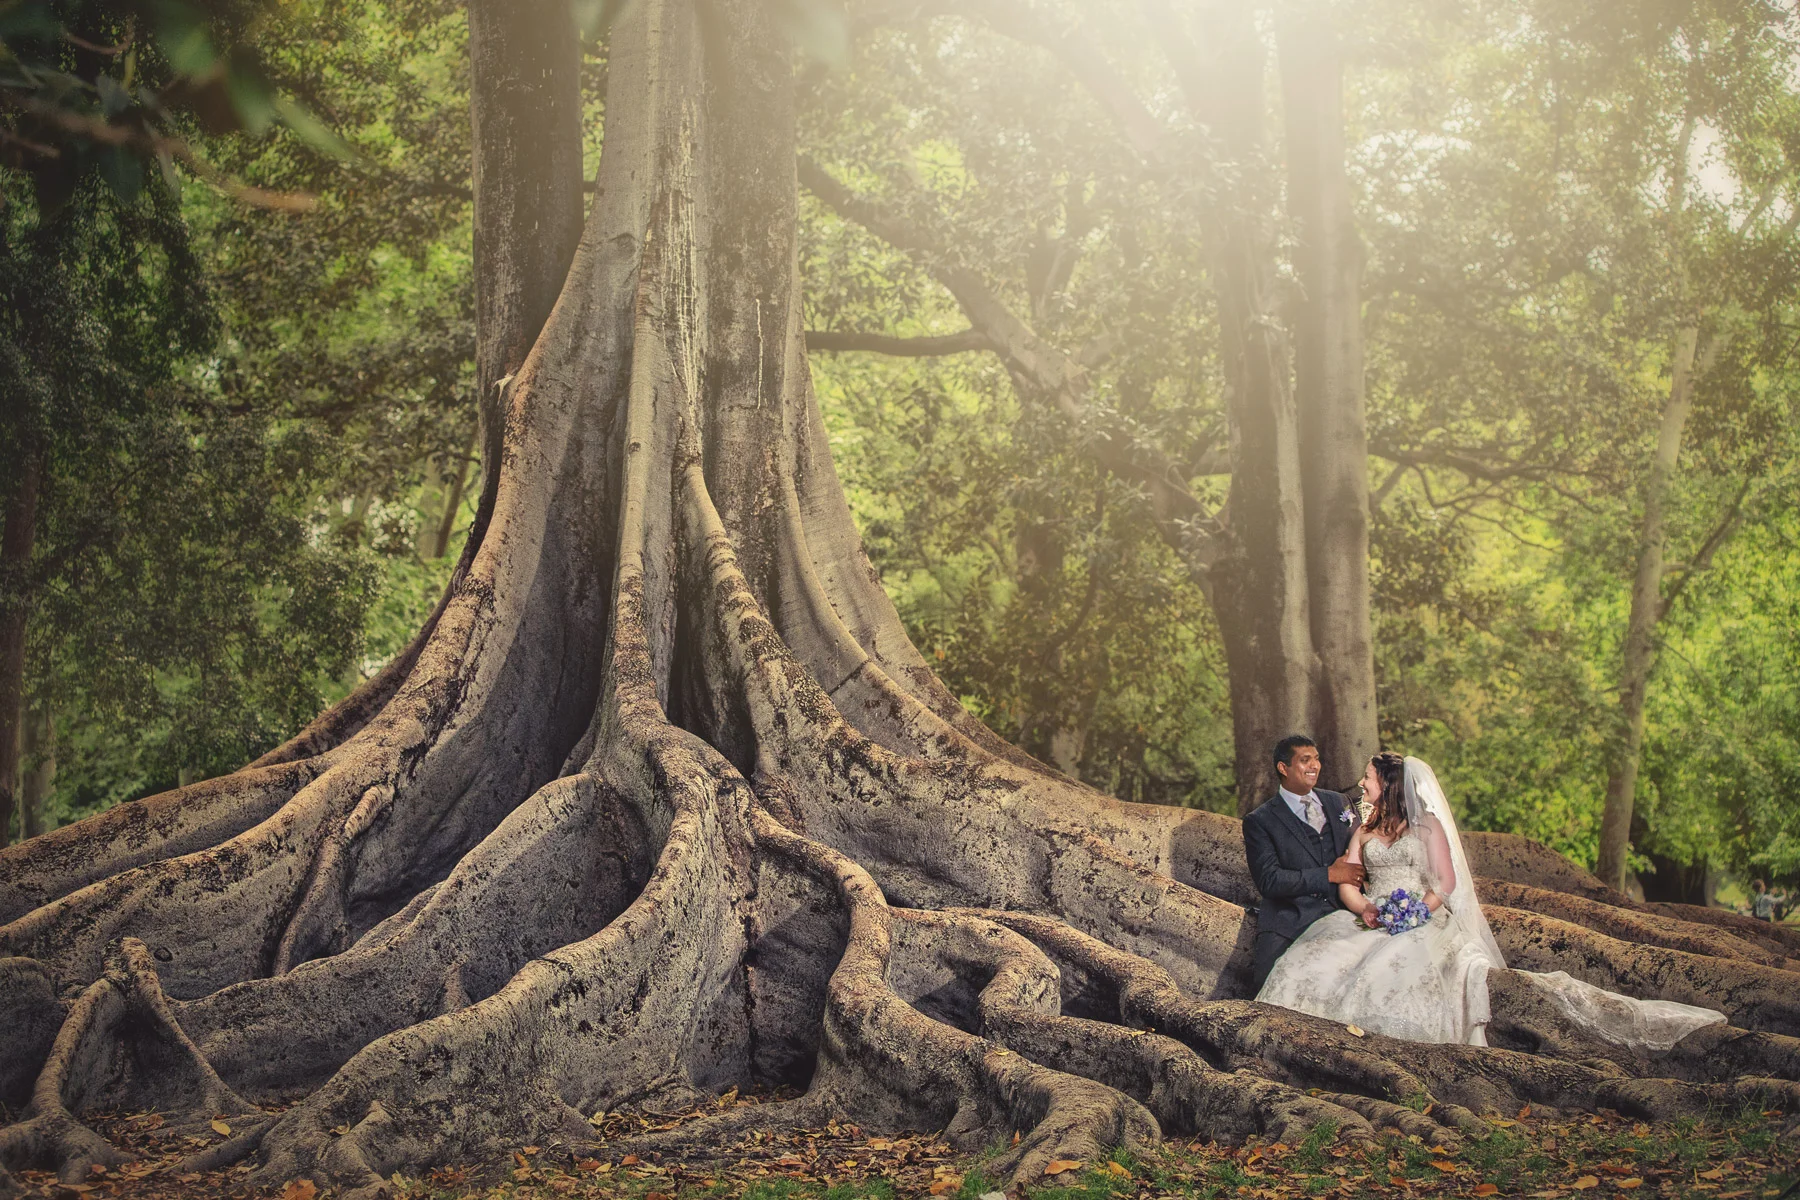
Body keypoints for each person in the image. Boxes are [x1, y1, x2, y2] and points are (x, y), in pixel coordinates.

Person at [1254, 753, 1729, 1050]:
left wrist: (1416, 913)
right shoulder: (1363, 830)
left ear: (1390, 785)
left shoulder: (1427, 829)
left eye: (1368, 779)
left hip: (1422, 917)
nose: (1361, 785)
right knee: (1322, 960)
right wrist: (1365, 909)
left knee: (1398, 969)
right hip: (1371, 917)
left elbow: (1445, 882)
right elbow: (1349, 881)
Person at [1241, 735, 1367, 992]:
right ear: (1283, 768)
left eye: (1316, 759)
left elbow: (1364, 851)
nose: (1314, 766)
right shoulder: (1260, 821)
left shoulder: (1340, 802)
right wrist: (1329, 874)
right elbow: (1269, 881)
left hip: (1346, 913)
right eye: (1305, 760)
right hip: (1289, 922)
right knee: (1270, 989)